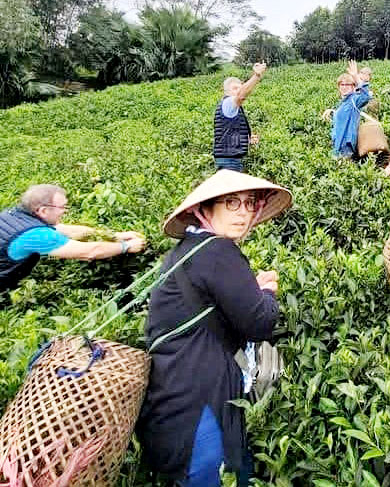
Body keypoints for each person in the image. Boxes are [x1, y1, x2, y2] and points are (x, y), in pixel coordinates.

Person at [137, 169, 291, 486]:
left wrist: (251, 290)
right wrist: (267, 293)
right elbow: (260, 322)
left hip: (171, 392)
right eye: (231, 203)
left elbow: (214, 299)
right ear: (206, 209)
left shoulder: (187, 249)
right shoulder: (218, 251)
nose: (244, 212)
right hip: (201, 396)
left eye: (249, 203)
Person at [0, 184, 147, 292]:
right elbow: (89, 252)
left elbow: (65, 230)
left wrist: (114, 236)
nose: (65, 212)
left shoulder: (15, 215)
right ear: (43, 210)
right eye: (62, 208)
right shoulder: (35, 235)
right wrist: (126, 247)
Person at [214, 63, 267, 172]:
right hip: (229, 162)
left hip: (232, 159)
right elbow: (241, 95)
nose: (238, 91)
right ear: (226, 91)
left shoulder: (233, 108)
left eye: (240, 88)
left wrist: (247, 140)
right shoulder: (228, 102)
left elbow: (229, 133)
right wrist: (257, 75)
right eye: (234, 88)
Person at [324, 72, 373, 158]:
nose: (344, 87)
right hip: (337, 145)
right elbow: (343, 118)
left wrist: (357, 78)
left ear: (353, 87)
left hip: (346, 146)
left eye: (347, 84)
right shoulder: (342, 103)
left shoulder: (354, 99)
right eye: (342, 85)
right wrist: (332, 112)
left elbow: (366, 96)